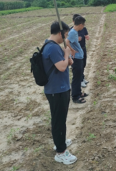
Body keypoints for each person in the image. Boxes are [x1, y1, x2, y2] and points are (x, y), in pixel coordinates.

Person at [42, 21, 77, 165]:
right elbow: (62, 67)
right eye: (65, 35)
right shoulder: (52, 48)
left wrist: (66, 55)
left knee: (61, 119)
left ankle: (60, 142)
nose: (66, 38)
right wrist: (67, 53)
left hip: (60, 89)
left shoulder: (53, 46)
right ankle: (61, 152)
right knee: (58, 121)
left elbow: (70, 63)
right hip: (56, 90)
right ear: (60, 33)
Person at [66, 16, 88, 104]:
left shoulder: (75, 32)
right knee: (76, 78)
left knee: (79, 77)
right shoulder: (72, 33)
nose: (83, 27)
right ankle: (75, 97)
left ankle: (79, 93)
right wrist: (72, 50)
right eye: (83, 25)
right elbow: (67, 42)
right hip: (76, 58)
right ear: (80, 24)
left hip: (79, 57)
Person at [71, 14, 89, 88]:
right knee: (78, 67)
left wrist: (87, 36)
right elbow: (67, 41)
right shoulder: (72, 31)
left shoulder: (83, 29)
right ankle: (80, 81)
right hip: (76, 52)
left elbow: (86, 34)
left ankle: (82, 78)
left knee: (83, 65)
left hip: (83, 49)